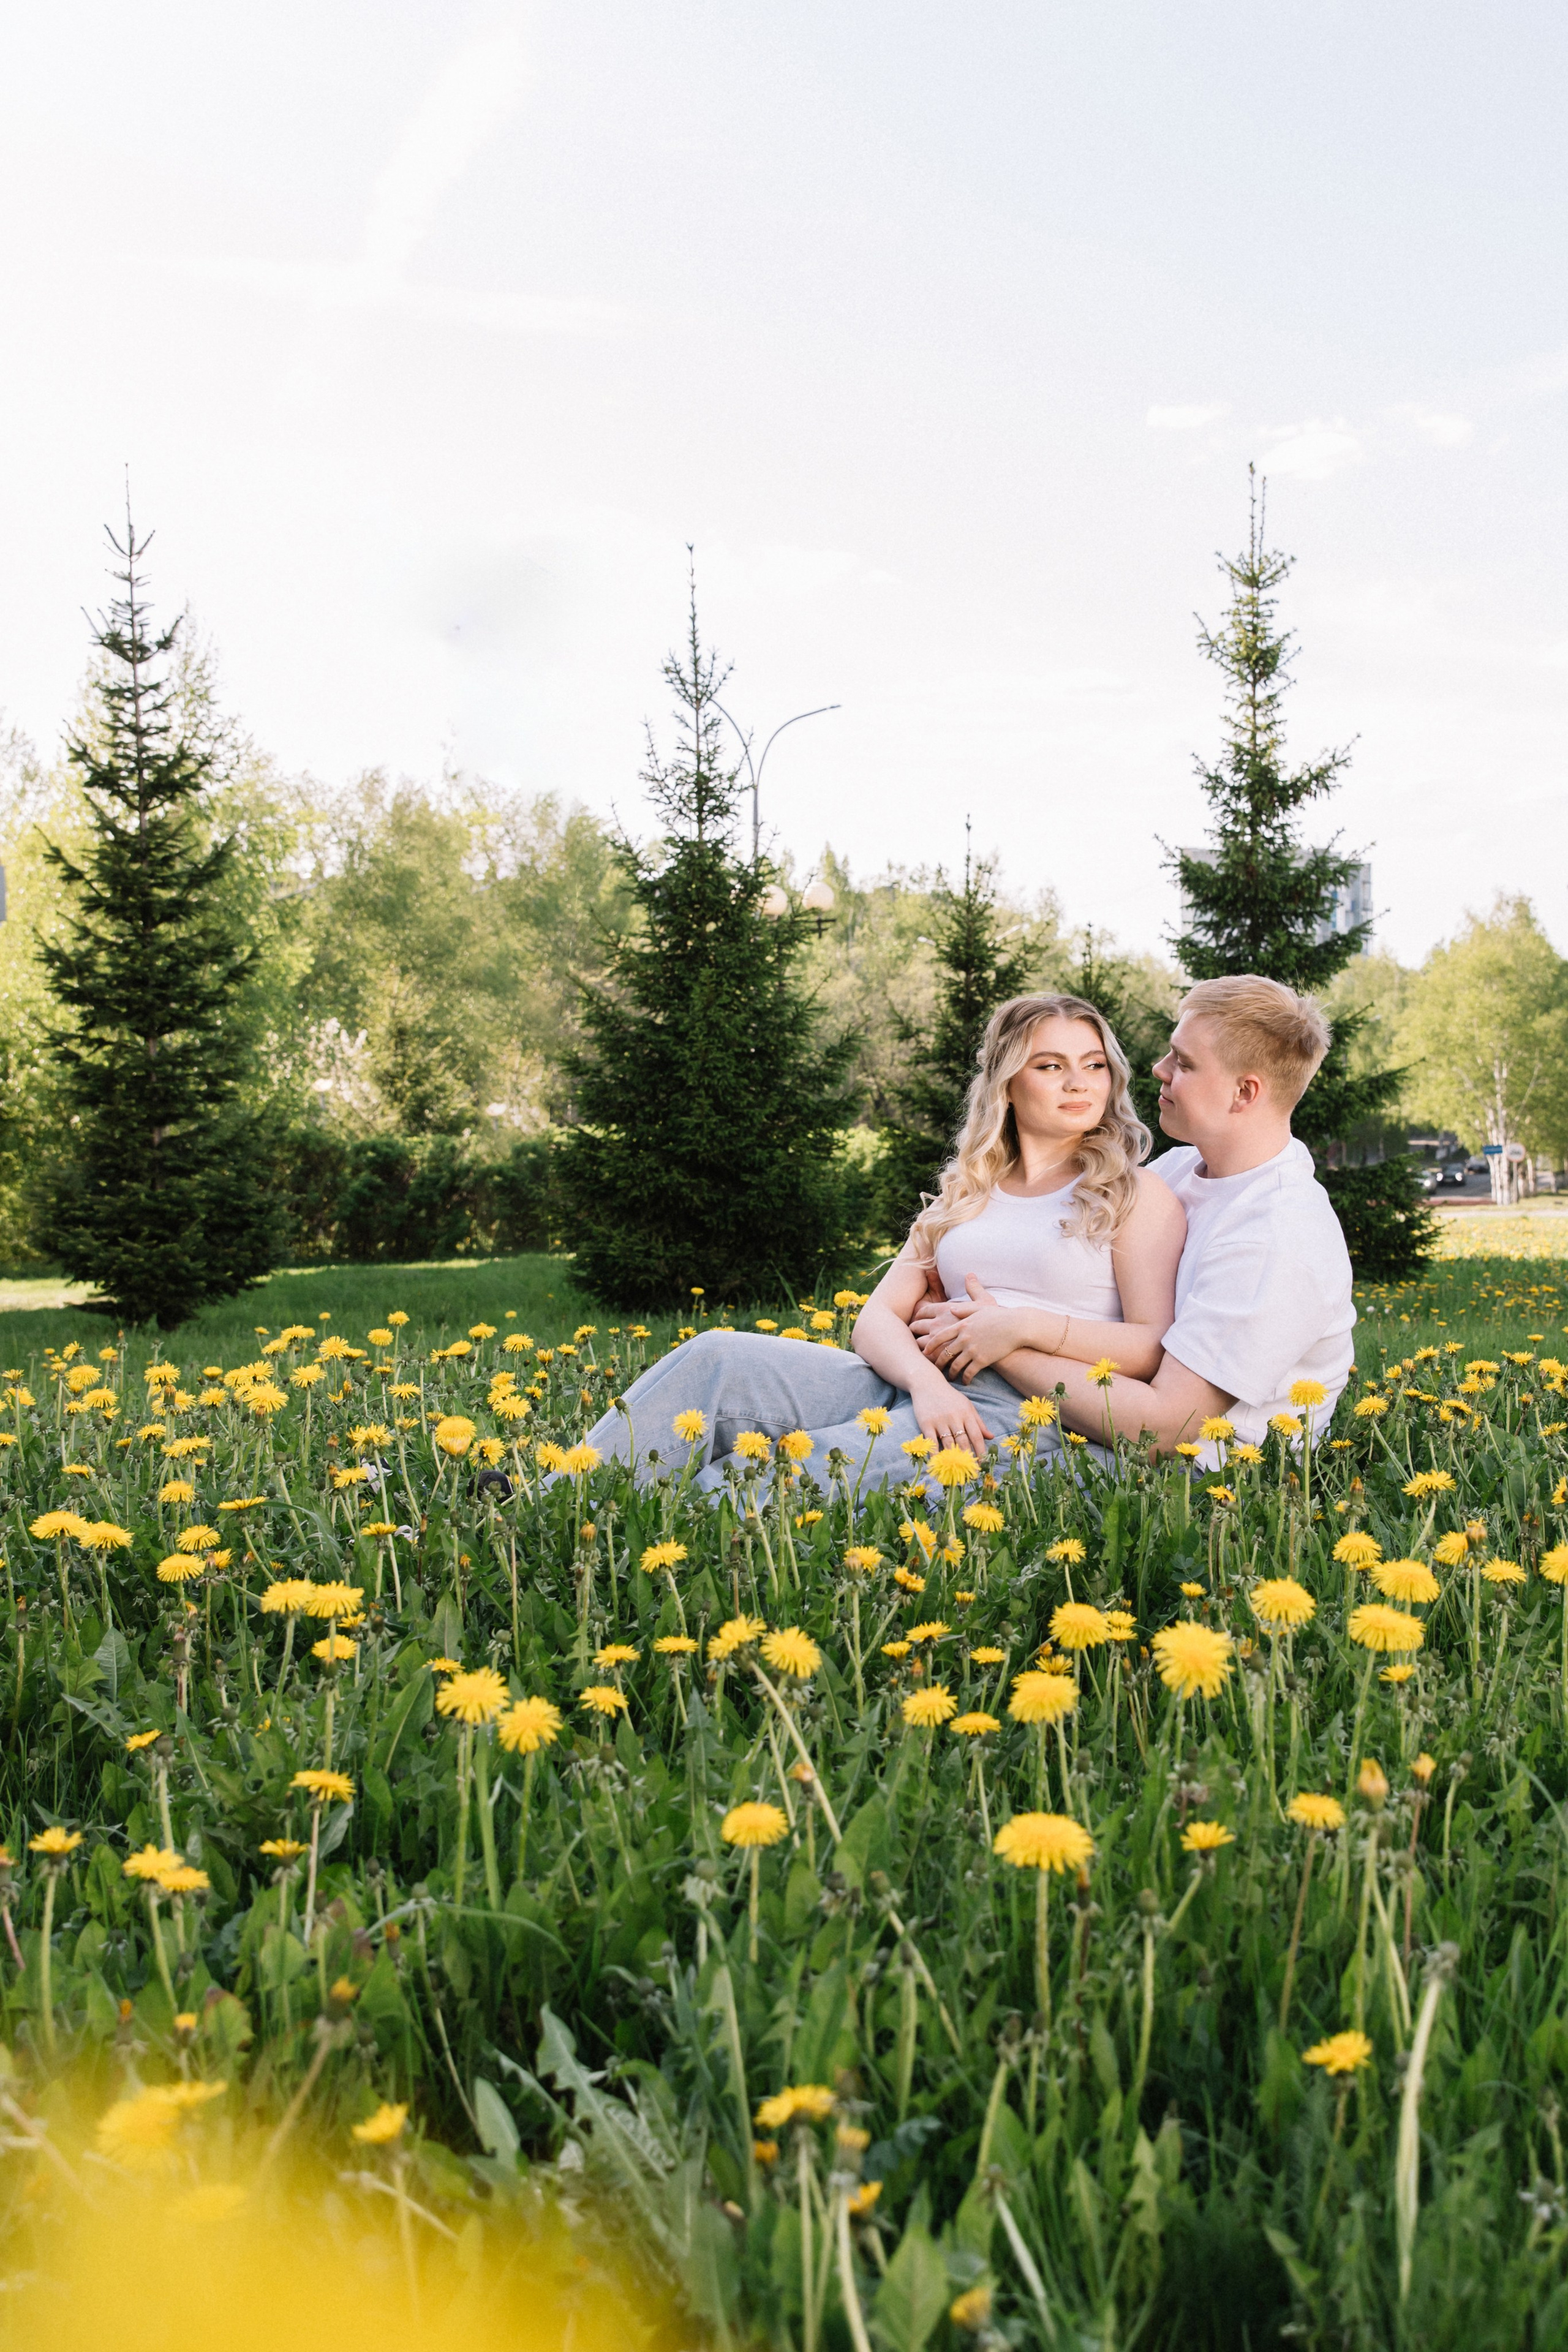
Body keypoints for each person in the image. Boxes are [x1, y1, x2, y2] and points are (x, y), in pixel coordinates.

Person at [578, 992, 1185, 1489]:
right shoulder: (968, 1192)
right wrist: (924, 1388)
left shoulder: (1131, 1193)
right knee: (713, 1358)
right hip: (913, 1382)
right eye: (1050, 1066)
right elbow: (874, 1321)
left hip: (1027, 1410)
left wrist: (1019, 1327)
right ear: (1006, 1083)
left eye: (1094, 1064)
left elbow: (1150, 1346)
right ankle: (553, 1500)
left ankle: (622, 1545)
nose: (1077, 1082)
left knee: (758, 1479)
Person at [915, 974, 1355, 1455]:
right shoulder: (1182, 1168)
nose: (1158, 1068)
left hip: (1194, 1478)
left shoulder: (1278, 1235)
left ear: (1244, 1093)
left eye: (1184, 1063)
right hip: (1068, 1412)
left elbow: (1166, 1428)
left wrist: (1000, 1335)